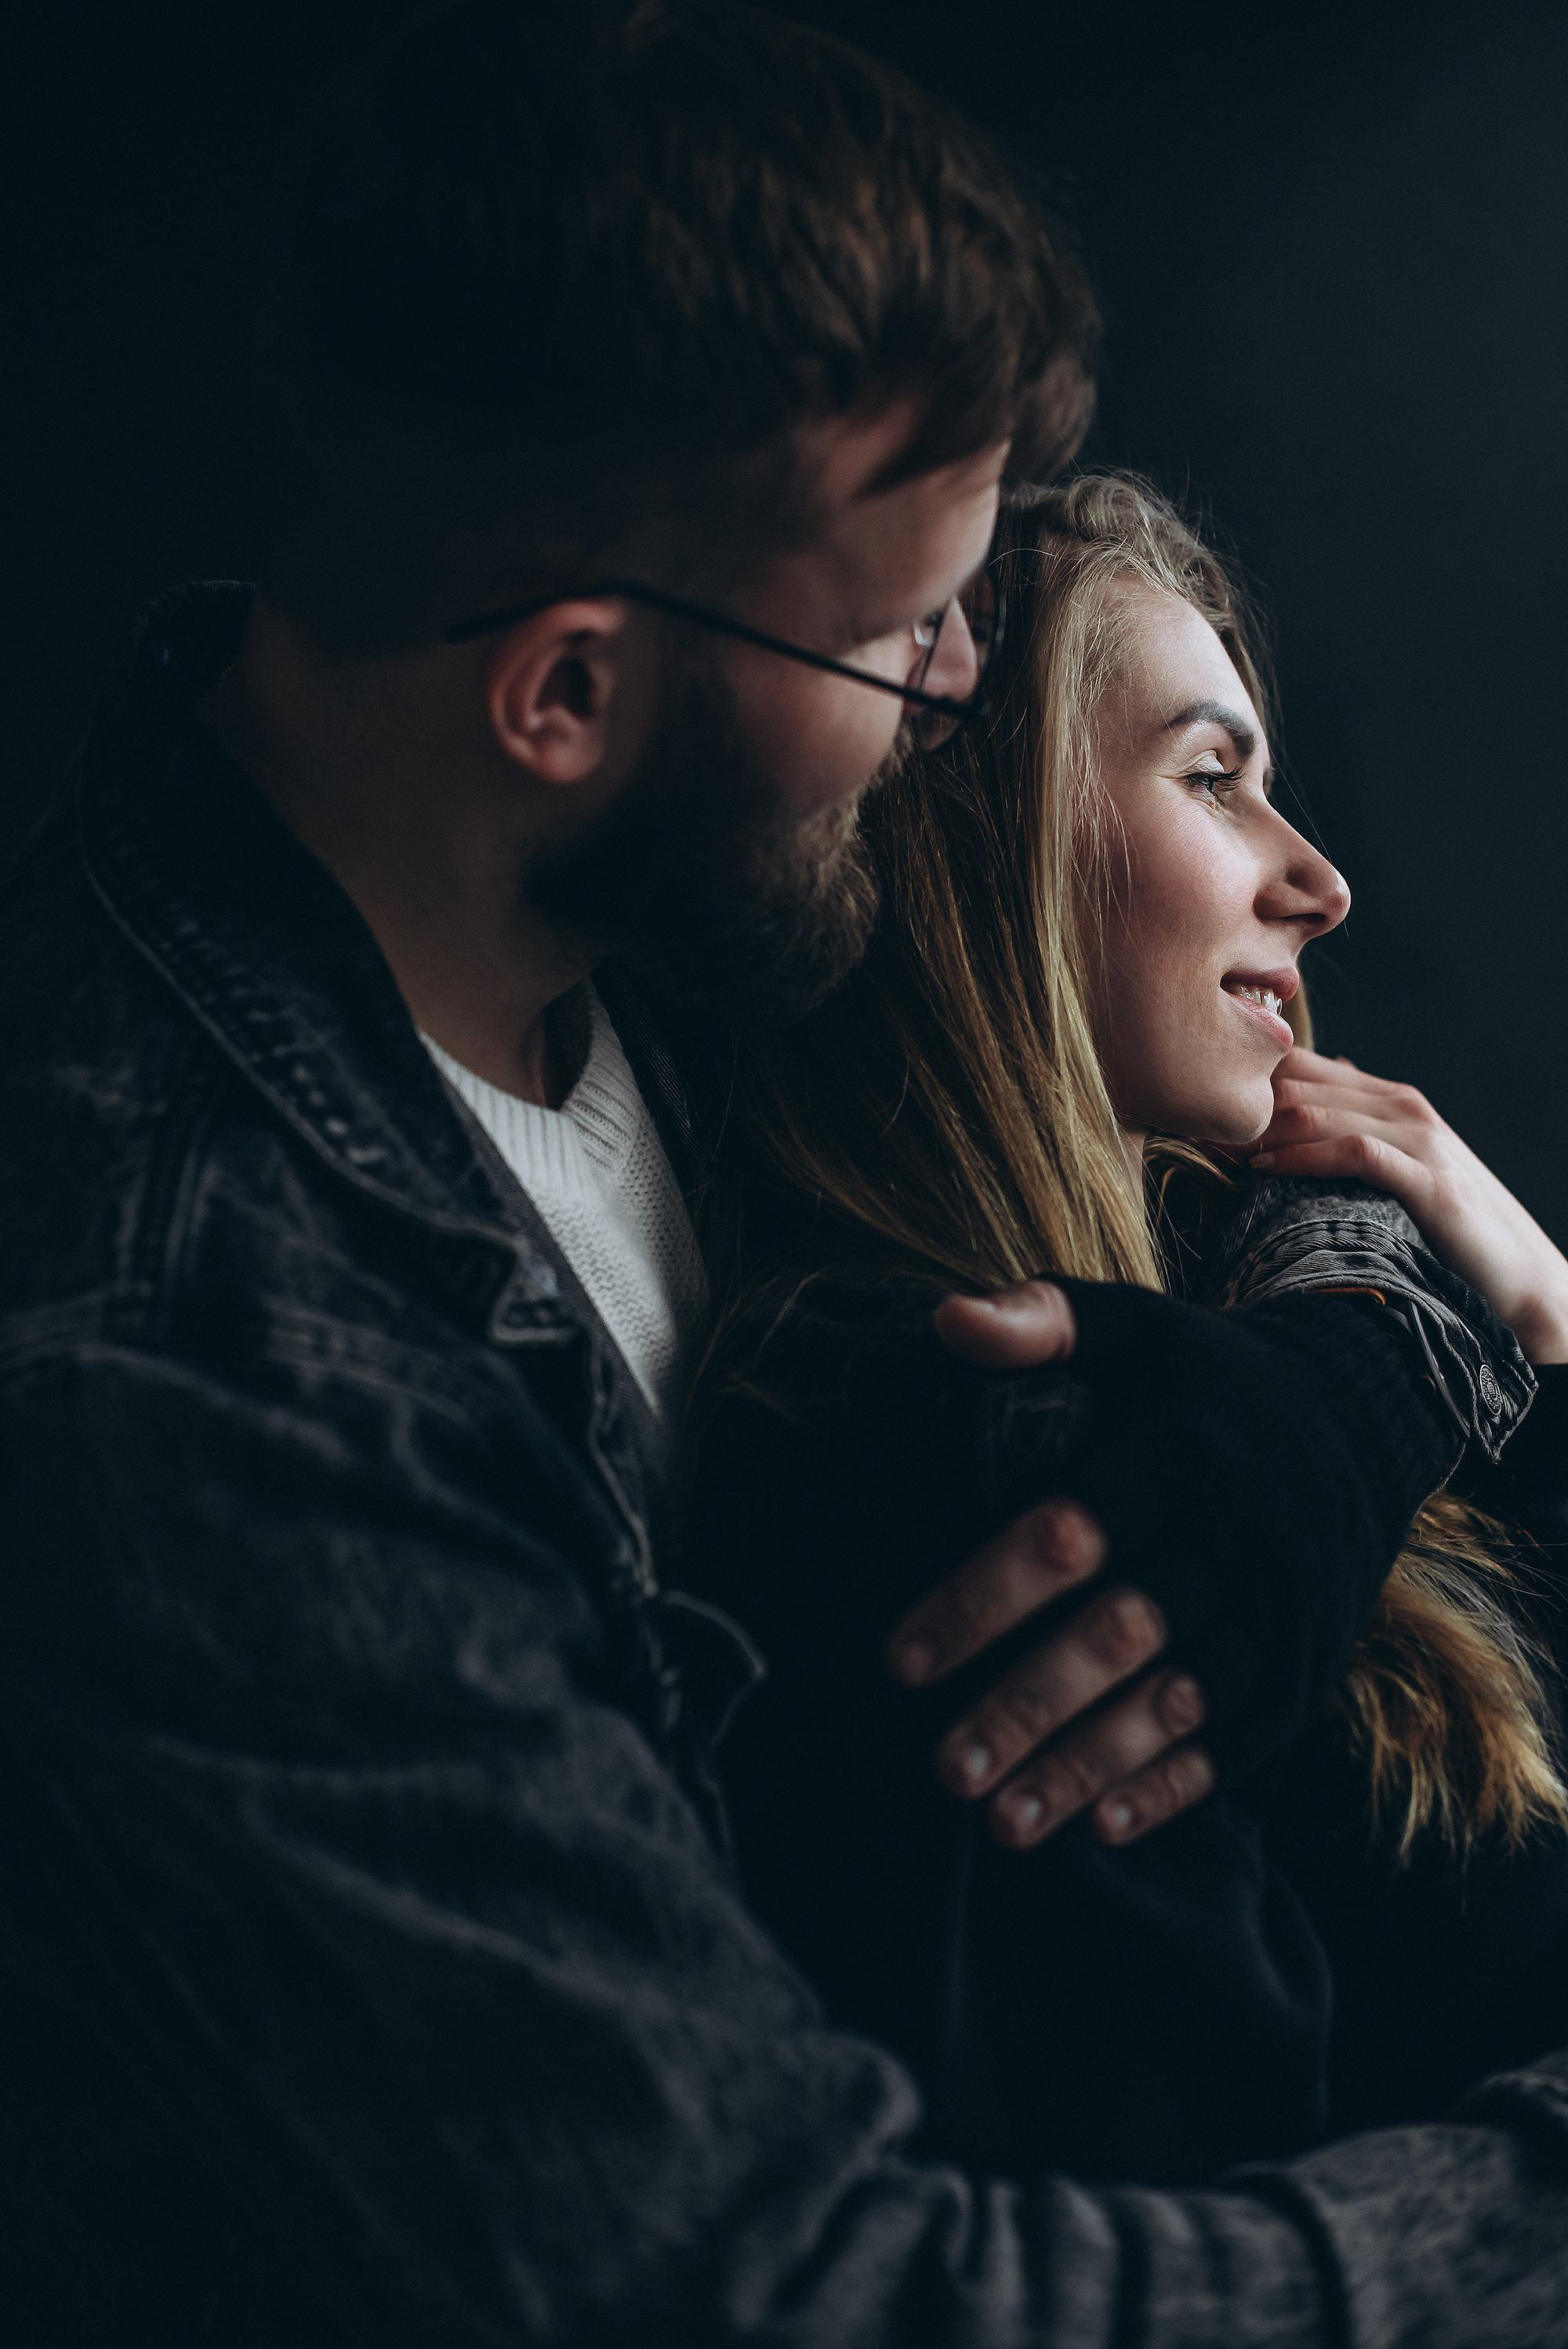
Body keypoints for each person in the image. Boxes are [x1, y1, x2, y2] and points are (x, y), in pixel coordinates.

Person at [5, 4, 1568, 2342]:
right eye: (898, 637)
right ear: (564, 693)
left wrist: (1333, 1387)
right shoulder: (195, 1368)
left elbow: (1113, 1100)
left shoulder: (689, 925)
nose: (955, 699)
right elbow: (782, 2292)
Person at [682, 471, 1568, 2184]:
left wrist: (1507, 1316)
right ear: (977, 850)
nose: (1317, 882)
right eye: (1212, 776)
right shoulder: (987, 1417)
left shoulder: (1253, 1327)